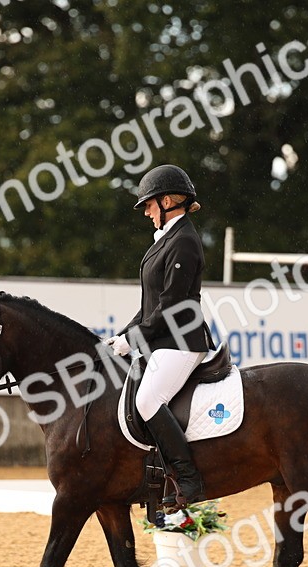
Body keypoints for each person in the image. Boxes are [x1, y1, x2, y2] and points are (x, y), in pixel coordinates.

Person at [104, 164, 214, 507]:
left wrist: (133, 341)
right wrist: (121, 337)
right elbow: (148, 307)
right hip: (164, 339)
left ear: (168, 201)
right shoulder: (167, 240)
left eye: (149, 205)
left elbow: (171, 306)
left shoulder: (183, 241)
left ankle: (189, 480)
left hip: (181, 341)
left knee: (147, 400)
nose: (147, 212)